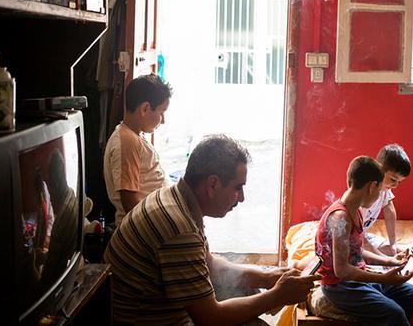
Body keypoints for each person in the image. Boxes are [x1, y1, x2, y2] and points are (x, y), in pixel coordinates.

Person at [104, 134, 320, 325]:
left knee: (247, 290)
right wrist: (277, 296)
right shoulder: (179, 229)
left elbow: (211, 266)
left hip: (154, 310)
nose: (242, 198)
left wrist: (266, 278)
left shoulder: (176, 199)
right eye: (238, 187)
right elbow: (210, 318)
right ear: (213, 184)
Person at [315, 156, 413, 326]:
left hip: (357, 279)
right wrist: (383, 278)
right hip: (340, 287)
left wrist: (389, 261)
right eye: (380, 191)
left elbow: (356, 250)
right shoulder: (340, 218)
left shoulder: (356, 211)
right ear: (372, 186)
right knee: (394, 314)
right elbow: (342, 271)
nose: (379, 196)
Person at [104, 74, 173, 226]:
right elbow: (129, 201)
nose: (164, 119)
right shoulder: (127, 140)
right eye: (162, 112)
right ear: (145, 108)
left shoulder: (133, 136)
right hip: (144, 229)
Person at [362, 143, 411, 256]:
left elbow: (389, 209)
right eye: (393, 179)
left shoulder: (383, 188)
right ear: (378, 168)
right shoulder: (363, 193)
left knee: (401, 251)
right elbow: (354, 237)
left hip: (362, 236)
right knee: (371, 257)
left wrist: (393, 243)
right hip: (347, 239)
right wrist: (384, 259)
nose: (396, 185)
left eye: (399, 181)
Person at [41, 148, 79, 288]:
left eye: (49, 184)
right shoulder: (71, 194)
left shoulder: (61, 223)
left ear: (55, 184)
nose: (49, 195)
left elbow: (49, 274)